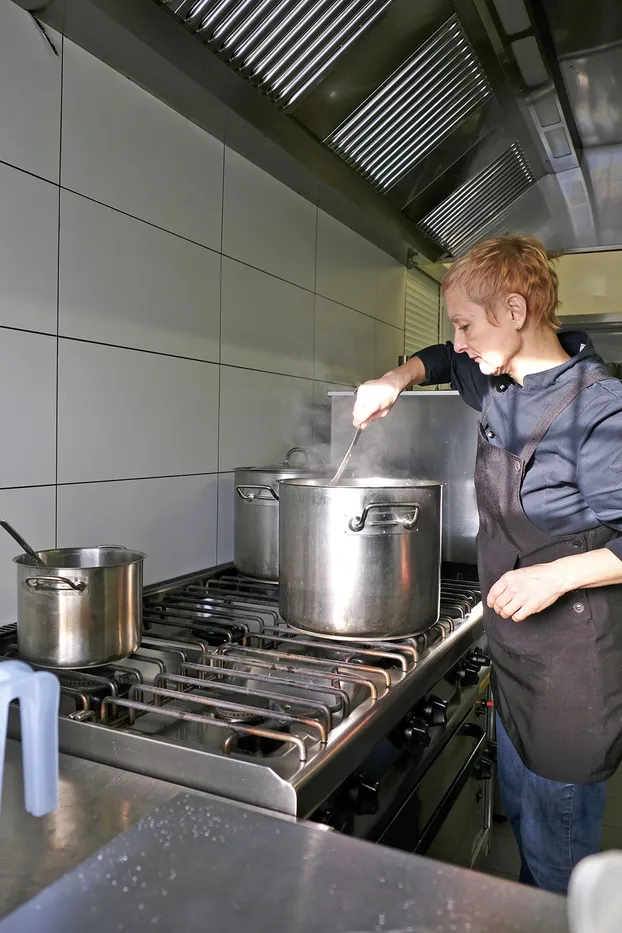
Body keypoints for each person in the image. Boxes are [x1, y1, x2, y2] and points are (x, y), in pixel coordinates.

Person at [352, 235, 622, 896]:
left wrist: (555, 575)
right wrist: (395, 379)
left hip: (572, 677)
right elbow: (442, 359)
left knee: (557, 863)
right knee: (525, 827)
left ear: (516, 307)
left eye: (468, 323)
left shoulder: (599, 406)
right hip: (515, 655)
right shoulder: (497, 377)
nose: (461, 339)